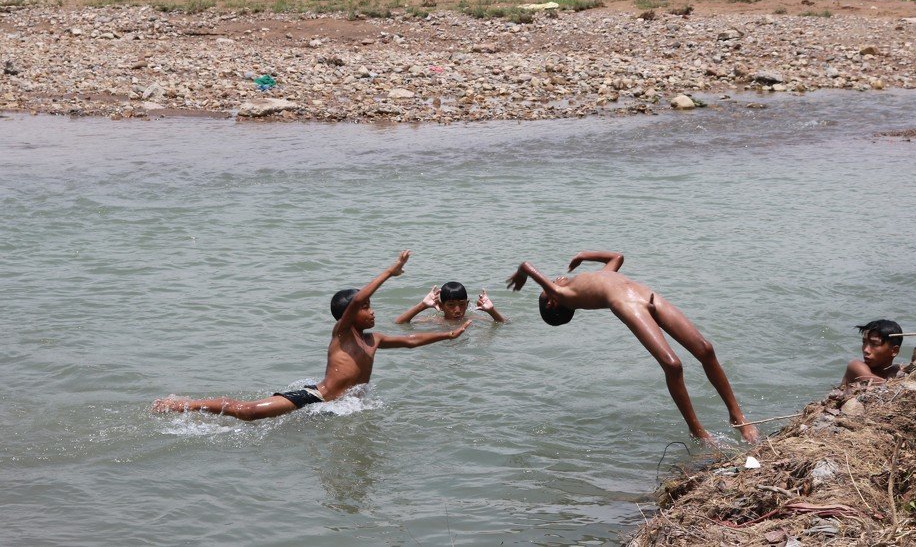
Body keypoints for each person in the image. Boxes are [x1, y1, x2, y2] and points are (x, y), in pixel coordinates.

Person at [153, 251, 470, 421]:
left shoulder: (375, 340)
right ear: (349, 316)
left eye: (371, 308)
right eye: (367, 309)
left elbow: (412, 341)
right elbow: (358, 299)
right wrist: (389, 272)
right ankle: (185, 405)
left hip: (341, 405)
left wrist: (449, 336)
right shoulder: (342, 334)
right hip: (317, 397)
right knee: (249, 413)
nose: (372, 312)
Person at [506, 251, 759, 443]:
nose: (554, 279)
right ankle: (697, 431)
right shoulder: (565, 296)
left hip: (647, 296)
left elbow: (617, 256)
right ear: (552, 302)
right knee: (673, 365)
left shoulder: (588, 279)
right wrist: (521, 273)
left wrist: (585, 255)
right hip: (629, 306)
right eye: (549, 286)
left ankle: (738, 416)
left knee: (705, 349)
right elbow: (527, 266)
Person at [396, 281, 506, 324]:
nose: (457, 310)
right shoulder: (434, 321)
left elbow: (504, 323)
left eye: (462, 304)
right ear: (441, 306)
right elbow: (399, 323)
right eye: (451, 305)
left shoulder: (472, 320)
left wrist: (492, 311)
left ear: (467, 304)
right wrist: (422, 306)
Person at [840, 319, 903, 386]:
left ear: (894, 351)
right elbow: (881, 384)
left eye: (874, 344)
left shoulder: (895, 371)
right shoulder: (855, 367)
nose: (866, 350)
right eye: (864, 342)